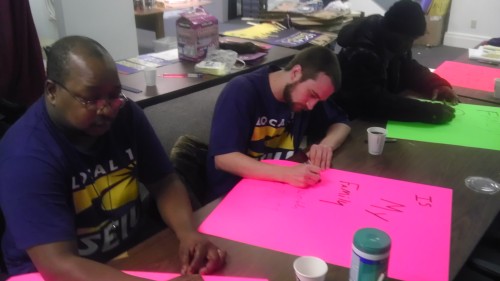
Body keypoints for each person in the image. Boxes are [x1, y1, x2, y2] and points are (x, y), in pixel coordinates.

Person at [0, 36, 225, 280]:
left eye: (114, 95)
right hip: (49, 271)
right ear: (52, 91)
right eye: (91, 99)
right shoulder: (25, 156)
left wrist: (187, 232)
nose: (106, 109)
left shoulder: (125, 114)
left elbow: (164, 181)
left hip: (125, 250)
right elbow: (58, 264)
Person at [206, 46, 351, 202]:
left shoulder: (305, 97)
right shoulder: (242, 90)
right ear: (296, 73)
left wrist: (326, 146)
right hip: (233, 194)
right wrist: (285, 174)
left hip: (278, 188)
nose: (311, 106)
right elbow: (224, 158)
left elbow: (342, 123)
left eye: (319, 100)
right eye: (312, 95)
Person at [332, 0, 460, 124]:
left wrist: (436, 84)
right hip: (352, 120)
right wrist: (428, 112)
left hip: (376, 110)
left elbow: (409, 68)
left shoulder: (393, 41)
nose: (409, 45)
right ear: (391, 31)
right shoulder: (361, 52)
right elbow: (371, 102)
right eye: (408, 39)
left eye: (413, 39)